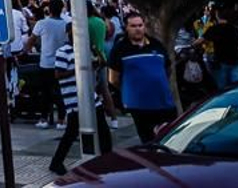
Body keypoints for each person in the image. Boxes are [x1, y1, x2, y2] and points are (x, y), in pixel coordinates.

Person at [107, 11, 177, 142]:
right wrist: (130, 90)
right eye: (133, 26)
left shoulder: (156, 44)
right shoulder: (120, 49)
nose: (138, 29)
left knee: (171, 138)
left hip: (164, 101)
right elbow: (113, 79)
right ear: (126, 28)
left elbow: (167, 69)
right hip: (139, 105)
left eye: (140, 25)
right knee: (149, 141)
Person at [48, 38, 112, 177]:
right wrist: (79, 69)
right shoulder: (63, 51)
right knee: (71, 133)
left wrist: (96, 50)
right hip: (74, 99)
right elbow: (58, 74)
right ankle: (56, 162)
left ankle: (107, 160)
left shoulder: (86, 49)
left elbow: (102, 64)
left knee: (103, 131)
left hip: (91, 97)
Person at [29, 0, 70, 129]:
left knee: (45, 92)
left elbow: (31, 40)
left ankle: (44, 118)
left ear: (49, 9)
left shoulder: (42, 23)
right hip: (62, 62)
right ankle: (61, 119)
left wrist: (25, 51)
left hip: (46, 62)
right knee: (60, 91)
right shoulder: (67, 23)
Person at [204, 6, 238, 91]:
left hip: (221, 62)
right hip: (235, 62)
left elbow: (201, 40)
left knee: (222, 88)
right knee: (236, 87)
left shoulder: (214, 29)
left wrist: (192, 45)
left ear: (217, 15)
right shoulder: (235, 29)